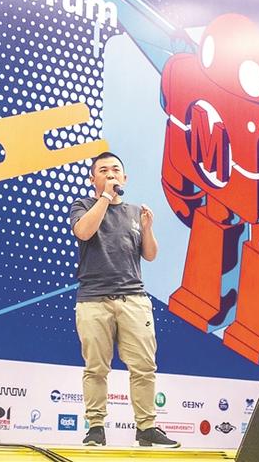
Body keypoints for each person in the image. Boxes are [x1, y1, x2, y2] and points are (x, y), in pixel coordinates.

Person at [69, 151, 180, 448]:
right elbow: (84, 232)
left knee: (144, 366)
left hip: (134, 299)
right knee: (96, 367)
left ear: (125, 177)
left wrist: (147, 228)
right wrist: (105, 197)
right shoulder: (83, 205)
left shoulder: (134, 211)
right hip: (93, 299)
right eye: (103, 170)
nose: (110, 174)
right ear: (92, 179)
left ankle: (146, 428)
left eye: (116, 170)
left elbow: (150, 254)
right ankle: (95, 428)